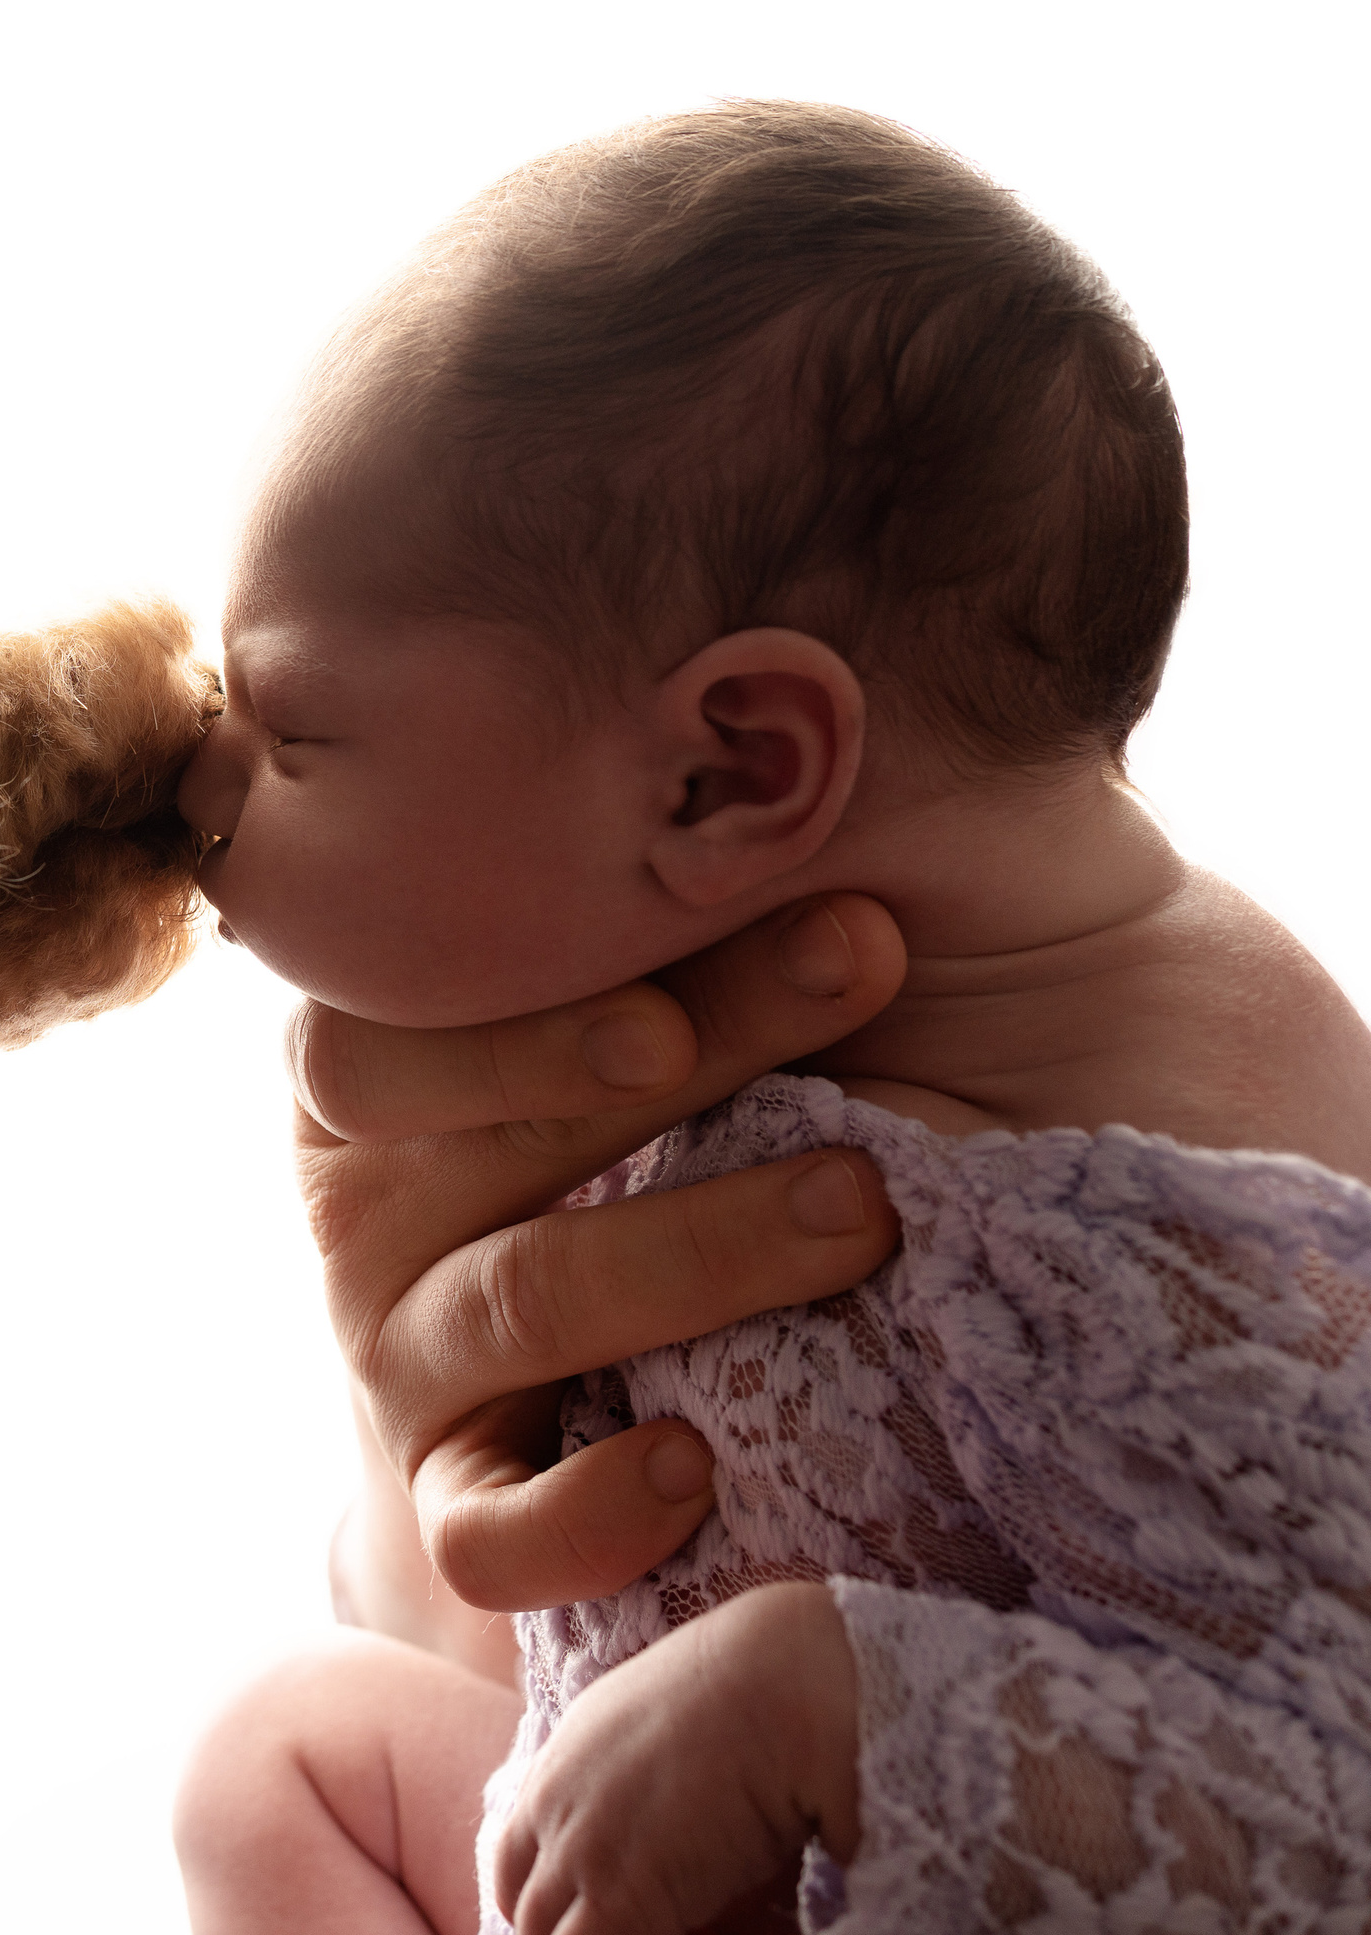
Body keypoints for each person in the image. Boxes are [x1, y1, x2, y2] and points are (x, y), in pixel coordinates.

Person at [170, 104, 1371, 1933]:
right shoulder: (743, 1036)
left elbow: (1334, 1813)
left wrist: (829, 1703)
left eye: (292, 726)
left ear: (729, 771)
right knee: (290, 1753)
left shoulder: (1157, 1222)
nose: (200, 778)